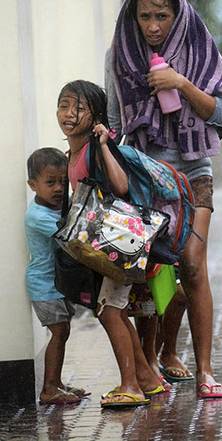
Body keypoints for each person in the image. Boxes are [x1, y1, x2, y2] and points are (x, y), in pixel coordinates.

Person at [106, 0, 222, 399]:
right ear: (134, 16)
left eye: (162, 15)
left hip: (194, 175)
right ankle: (153, 360)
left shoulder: (198, 46)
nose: (154, 25)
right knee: (152, 274)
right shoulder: (121, 55)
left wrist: (180, 83)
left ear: (177, 14)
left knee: (193, 266)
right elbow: (116, 125)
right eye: (145, 16)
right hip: (146, 180)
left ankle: (206, 371)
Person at [57, 79, 168, 408]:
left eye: (79, 108)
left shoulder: (95, 147)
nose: (69, 113)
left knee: (110, 313)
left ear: (96, 116)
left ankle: (130, 385)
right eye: (64, 105)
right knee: (113, 311)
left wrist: (104, 145)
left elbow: (120, 186)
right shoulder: (72, 152)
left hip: (119, 244)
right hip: (105, 248)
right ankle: (146, 379)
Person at [25, 147, 90, 405]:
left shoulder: (54, 208)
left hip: (57, 283)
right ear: (33, 184)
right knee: (60, 332)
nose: (59, 189)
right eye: (50, 182)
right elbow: (69, 233)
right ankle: (49, 388)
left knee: (63, 331)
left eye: (64, 181)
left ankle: (57, 383)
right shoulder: (37, 216)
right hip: (44, 285)